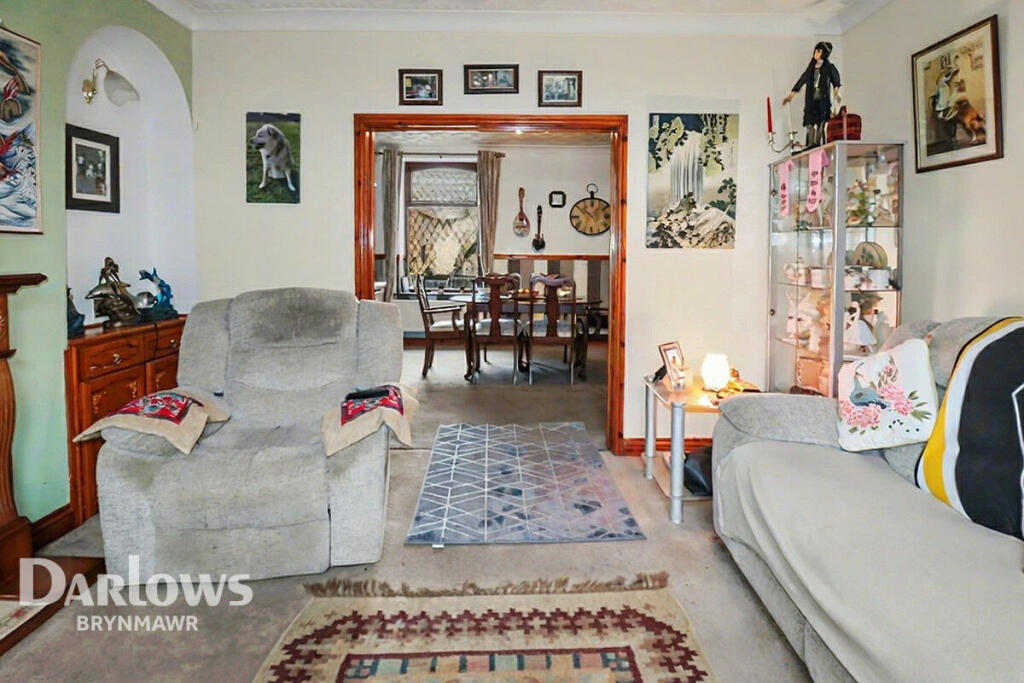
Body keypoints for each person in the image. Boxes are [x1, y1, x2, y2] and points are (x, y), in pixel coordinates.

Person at [783, 41, 842, 149]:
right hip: (811, 101)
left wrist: (836, 94)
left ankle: (817, 143)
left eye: (819, 51)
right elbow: (802, 80)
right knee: (809, 123)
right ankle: (811, 143)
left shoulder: (829, 67)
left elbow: (836, 82)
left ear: (824, 53)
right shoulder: (811, 68)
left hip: (822, 101)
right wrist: (791, 95)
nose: (816, 53)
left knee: (821, 123)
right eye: (816, 50)